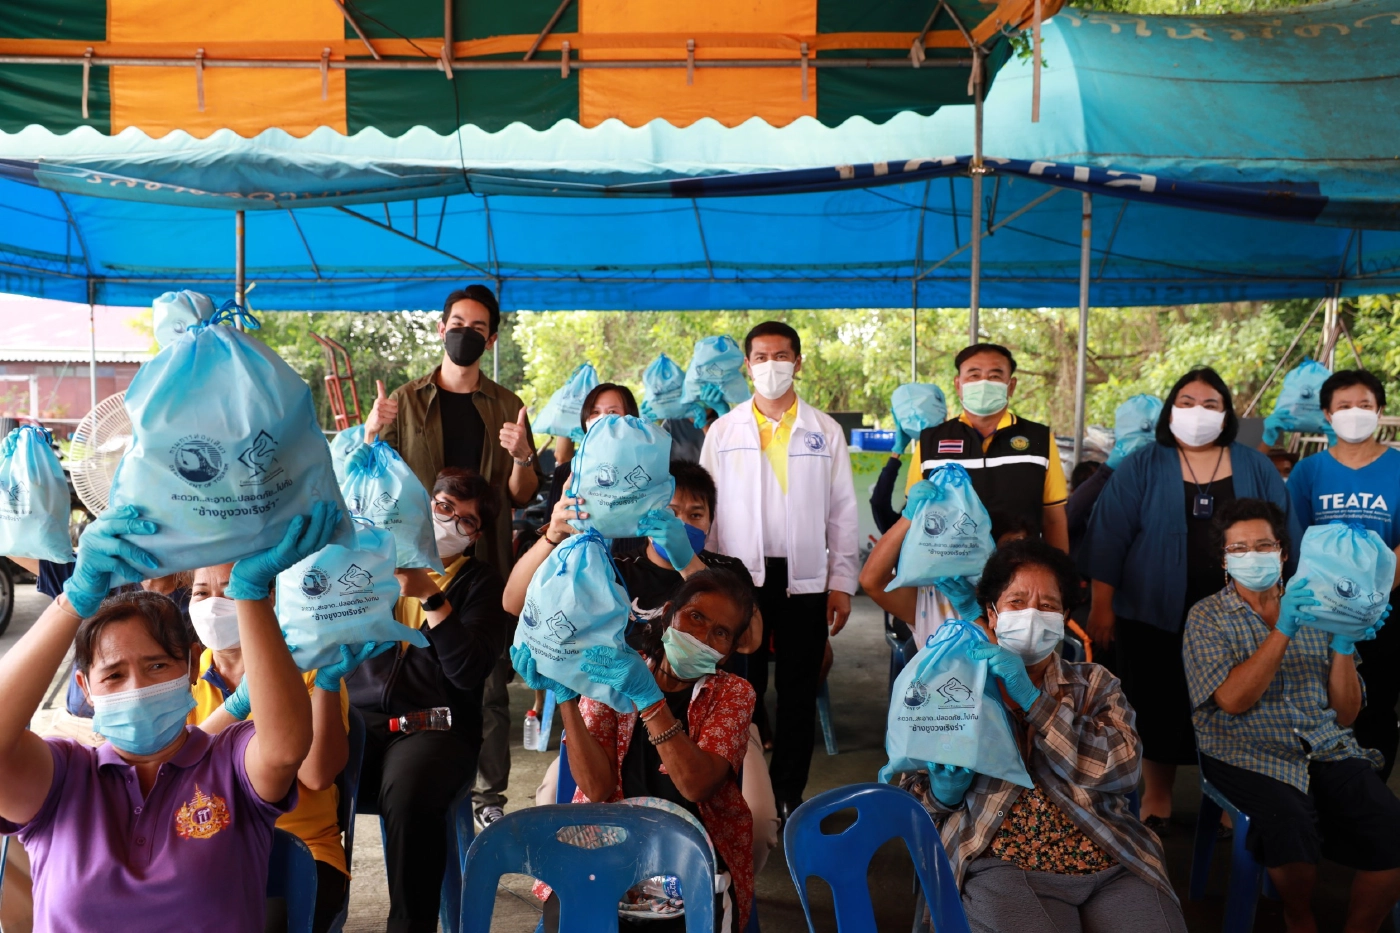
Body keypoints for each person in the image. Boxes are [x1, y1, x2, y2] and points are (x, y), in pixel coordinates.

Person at [0, 503, 333, 929]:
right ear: (85, 688)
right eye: (114, 674)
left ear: (191, 668)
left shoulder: (228, 763)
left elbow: (286, 749)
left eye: (157, 665)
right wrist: (72, 601)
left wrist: (249, 594)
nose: (136, 687)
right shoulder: (62, 778)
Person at [506, 461, 779, 873]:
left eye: (696, 514)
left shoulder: (726, 572)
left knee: (757, 824)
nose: (682, 521)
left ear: (711, 520)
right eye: (670, 510)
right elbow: (515, 602)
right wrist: (554, 534)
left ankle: (730, 894)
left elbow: (750, 638)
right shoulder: (614, 565)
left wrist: (690, 564)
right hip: (613, 707)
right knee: (552, 805)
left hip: (713, 718)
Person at [903, 539, 1184, 933]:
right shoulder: (955, 685)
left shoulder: (1094, 684)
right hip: (1004, 864)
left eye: (1048, 605)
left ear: (1065, 616)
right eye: (1017, 602)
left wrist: (1035, 702)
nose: (1033, 614)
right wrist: (941, 795)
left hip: (1110, 856)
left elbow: (1124, 771)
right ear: (993, 614)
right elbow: (910, 801)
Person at [1082, 367, 1296, 832]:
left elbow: (1284, 533)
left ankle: (1225, 794)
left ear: (1226, 414)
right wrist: (1102, 605)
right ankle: (1156, 793)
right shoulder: (1144, 462)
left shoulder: (1254, 464)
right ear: (1169, 410)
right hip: (1153, 611)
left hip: (1239, 614)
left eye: (1210, 404)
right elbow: (1109, 536)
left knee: (1233, 704)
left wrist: (1276, 602)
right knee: (1156, 701)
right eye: (1186, 402)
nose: (1197, 412)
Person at [363, 284, 542, 827]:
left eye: (478, 327)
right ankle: (402, 769)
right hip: (410, 560)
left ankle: (488, 796)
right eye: (457, 322)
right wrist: (371, 433)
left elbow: (520, 494)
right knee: (403, 665)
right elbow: (371, 478)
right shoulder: (406, 400)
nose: (466, 333)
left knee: (484, 681)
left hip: (480, 560)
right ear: (442, 328)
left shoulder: (509, 405)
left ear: (491, 337)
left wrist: (523, 455)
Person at [1184, 498, 1400, 933]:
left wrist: (1342, 642)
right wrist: (1284, 627)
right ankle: (1298, 915)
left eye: (1263, 545)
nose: (1253, 555)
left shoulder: (1322, 606)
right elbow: (1232, 701)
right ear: (1224, 559)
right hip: (1245, 750)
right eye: (1239, 549)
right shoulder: (1207, 616)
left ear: (1283, 552)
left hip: (1324, 745)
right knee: (1290, 827)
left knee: (1391, 829)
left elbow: (1345, 714)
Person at [514, 569, 758, 932]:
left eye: (720, 633)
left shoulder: (733, 695)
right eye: (695, 617)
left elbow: (696, 785)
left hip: (690, 858)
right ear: (669, 613)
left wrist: (649, 701)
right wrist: (565, 694)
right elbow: (596, 788)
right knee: (571, 918)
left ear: (728, 651)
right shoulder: (617, 674)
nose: (702, 637)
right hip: (602, 848)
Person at [700, 321, 858, 821]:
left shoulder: (824, 431)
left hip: (805, 581)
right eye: (762, 357)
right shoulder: (723, 431)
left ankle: (789, 794)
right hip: (737, 579)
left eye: (782, 355)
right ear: (747, 366)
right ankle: (734, 789)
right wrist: (703, 580)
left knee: (797, 690)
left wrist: (841, 584)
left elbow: (843, 513)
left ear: (799, 363)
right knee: (736, 688)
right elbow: (707, 509)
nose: (772, 366)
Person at [347, 467, 511, 933]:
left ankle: (410, 924)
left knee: (410, 790)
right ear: (423, 505)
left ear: (476, 535)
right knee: (299, 769)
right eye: (443, 508)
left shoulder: (480, 584)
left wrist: (432, 598)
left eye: (466, 521)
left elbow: (466, 671)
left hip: (436, 726)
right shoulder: (372, 560)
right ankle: (310, 908)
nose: (450, 524)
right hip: (360, 716)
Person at [185, 562, 372, 933]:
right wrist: (235, 707)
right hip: (207, 849)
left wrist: (329, 684)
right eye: (202, 593)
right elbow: (170, 771)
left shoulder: (308, 669)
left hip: (301, 849)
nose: (213, 605)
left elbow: (317, 775)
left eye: (229, 591)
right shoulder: (182, 675)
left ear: (268, 599)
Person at [1286, 369, 1400, 777]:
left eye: (1365, 406)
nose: (1355, 413)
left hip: (1385, 608)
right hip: (1319, 608)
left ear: (1380, 411)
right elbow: (1295, 539)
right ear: (1327, 415)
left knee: (1378, 698)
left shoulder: (1397, 466)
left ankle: (1371, 790)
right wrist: (1329, 600)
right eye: (1344, 406)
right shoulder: (1307, 472)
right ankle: (1322, 786)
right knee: (1318, 696)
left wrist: (1374, 594)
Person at [911, 343, 1070, 552]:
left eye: (995, 376)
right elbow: (913, 516)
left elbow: (1053, 520)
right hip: (947, 572)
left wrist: (1061, 574)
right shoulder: (931, 440)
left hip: (1018, 571)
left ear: (1011, 385)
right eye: (974, 375)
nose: (984, 383)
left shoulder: (1039, 438)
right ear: (958, 385)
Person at [541, 382, 641, 519]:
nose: (603, 418)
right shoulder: (566, 473)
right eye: (595, 412)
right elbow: (549, 531)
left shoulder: (644, 470)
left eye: (612, 412)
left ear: (631, 418)